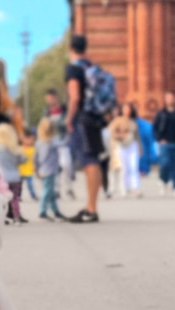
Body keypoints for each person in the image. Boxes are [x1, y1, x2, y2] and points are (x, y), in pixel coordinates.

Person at [65, 33, 109, 223]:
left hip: (82, 118)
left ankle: (90, 208)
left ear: (70, 49)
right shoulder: (92, 66)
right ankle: (92, 205)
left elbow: (74, 96)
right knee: (95, 159)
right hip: (95, 117)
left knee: (88, 160)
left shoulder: (74, 68)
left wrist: (69, 118)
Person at [0, 122, 25, 223]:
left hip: (3, 178)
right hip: (15, 177)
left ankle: (3, 217)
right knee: (14, 198)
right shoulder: (15, 149)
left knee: (2, 199)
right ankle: (16, 216)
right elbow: (23, 159)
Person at [108, 101, 142, 198]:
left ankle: (135, 187)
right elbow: (112, 132)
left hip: (132, 145)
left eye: (129, 109)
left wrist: (140, 148)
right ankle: (124, 187)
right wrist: (120, 135)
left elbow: (137, 136)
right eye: (125, 108)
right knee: (124, 167)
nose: (127, 110)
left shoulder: (133, 122)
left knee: (134, 166)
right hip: (121, 145)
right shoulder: (117, 120)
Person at [34, 116, 64, 219]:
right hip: (50, 170)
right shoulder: (52, 142)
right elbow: (63, 143)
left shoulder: (38, 142)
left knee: (51, 192)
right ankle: (42, 210)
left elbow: (36, 158)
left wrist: (36, 169)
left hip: (43, 170)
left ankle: (56, 210)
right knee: (48, 191)